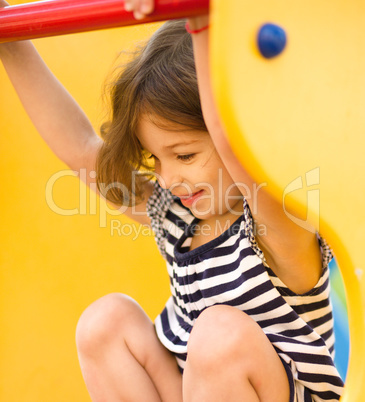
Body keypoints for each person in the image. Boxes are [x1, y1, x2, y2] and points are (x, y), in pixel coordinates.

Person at [0, 0, 344, 401]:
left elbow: (231, 140)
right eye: (154, 158)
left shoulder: (280, 229)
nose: (168, 178)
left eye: (184, 155)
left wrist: (200, 17)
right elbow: (79, 148)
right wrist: (11, 43)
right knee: (105, 323)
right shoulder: (174, 214)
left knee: (218, 336)